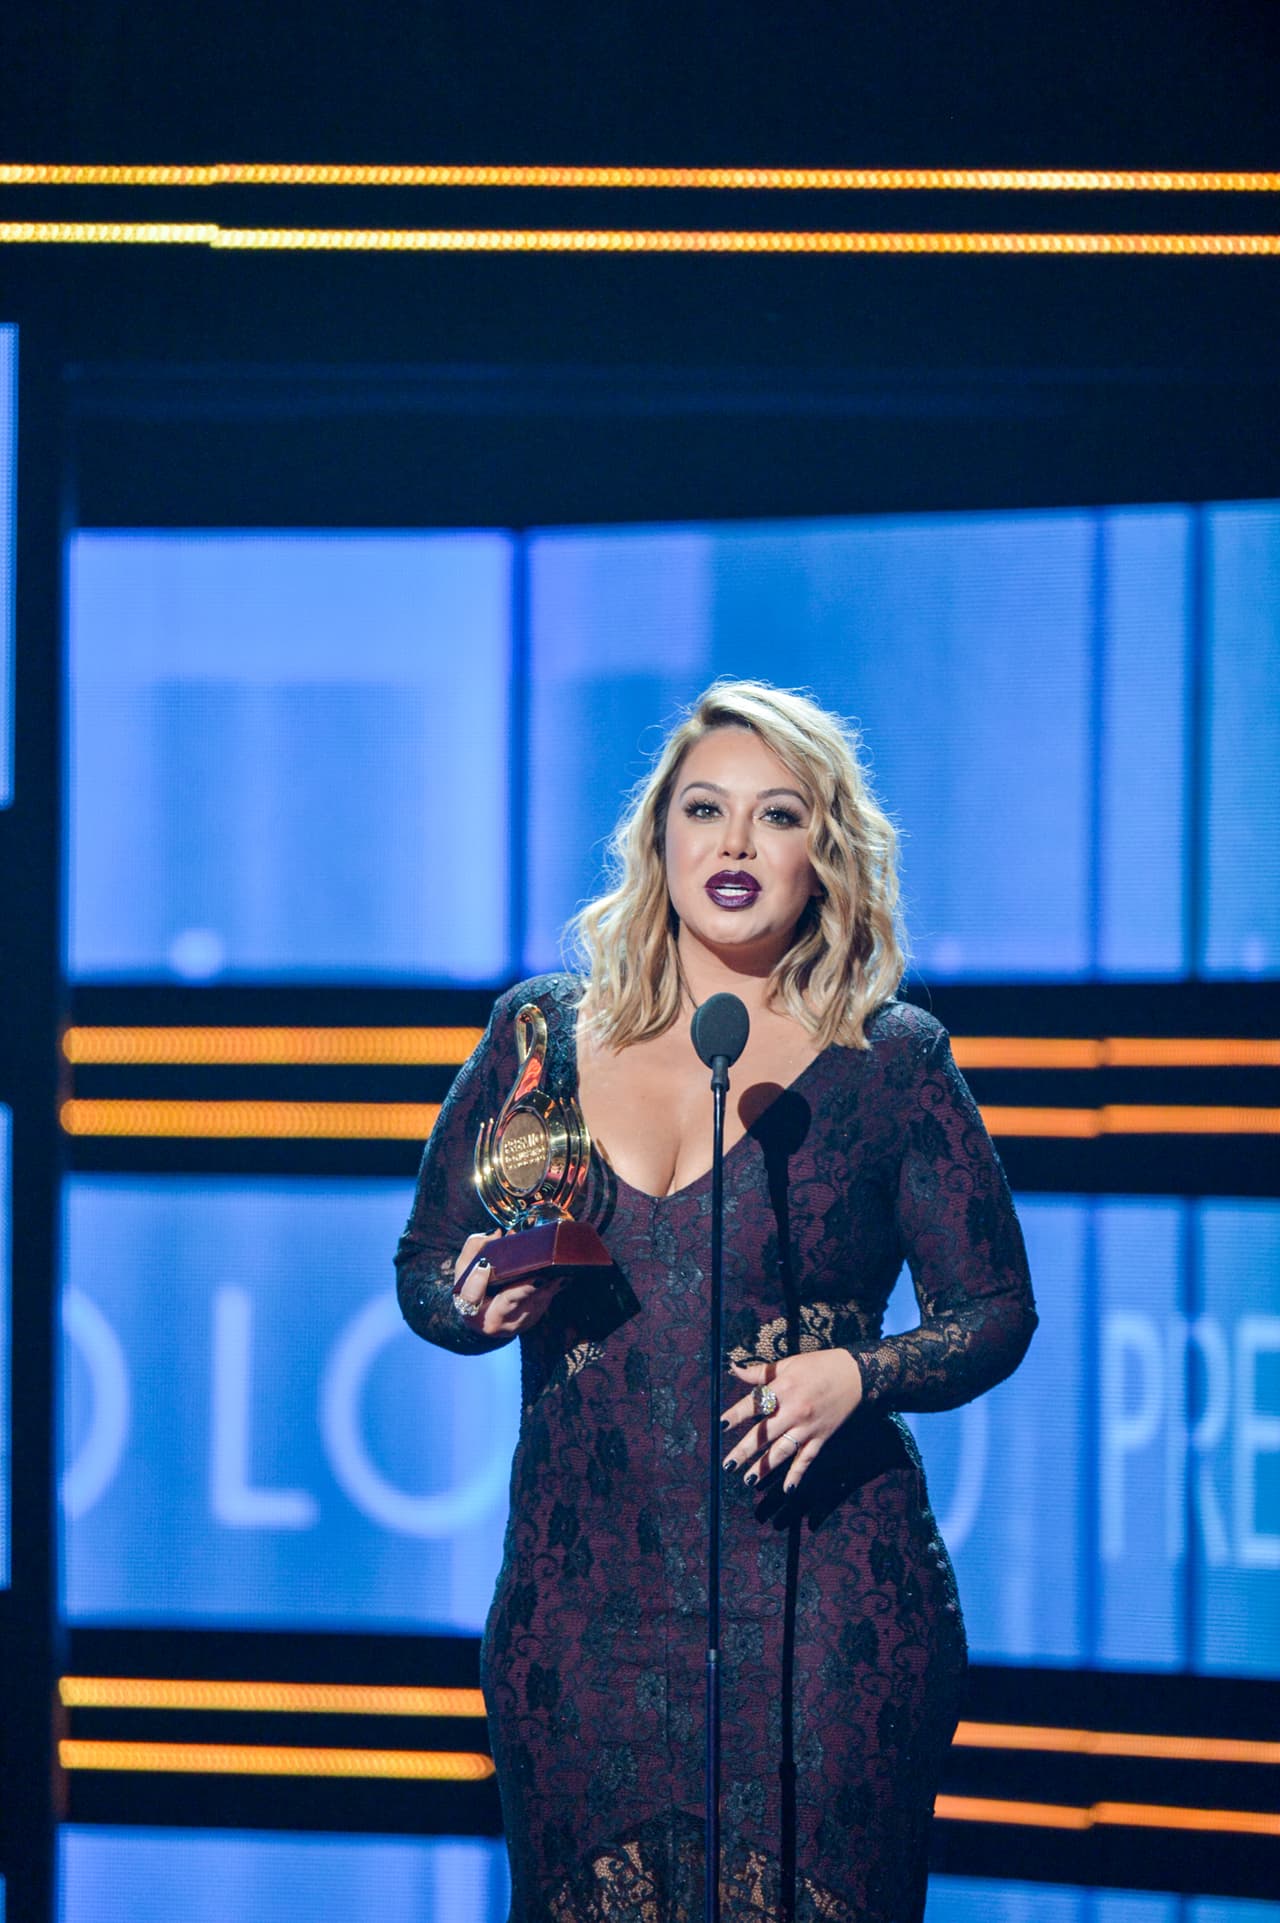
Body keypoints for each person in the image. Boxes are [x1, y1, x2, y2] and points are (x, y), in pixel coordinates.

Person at [396, 679, 1037, 1923]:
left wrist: (860, 1374)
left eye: (776, 816)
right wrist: (471, 1301)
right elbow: (424, 1261)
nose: (735, 846)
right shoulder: (538, 1033)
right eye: (705, 809)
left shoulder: (887, 1057)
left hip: (822, 1609)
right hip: (580, 1622)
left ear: (824, 854)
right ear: (659, 840)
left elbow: (995, 1307)